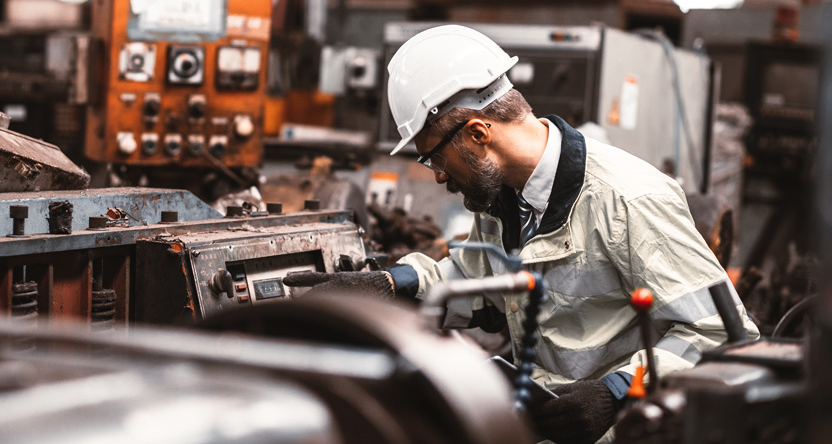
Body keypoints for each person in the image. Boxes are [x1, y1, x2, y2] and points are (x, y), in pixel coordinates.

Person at [285, 24, 758, 444]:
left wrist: (619, 393)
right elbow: (481, 279)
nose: (436, 177)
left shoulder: (627, 198)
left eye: (433, 157)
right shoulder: (503, 195)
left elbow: (719, 334)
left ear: (477, 133)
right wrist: (392, 285)